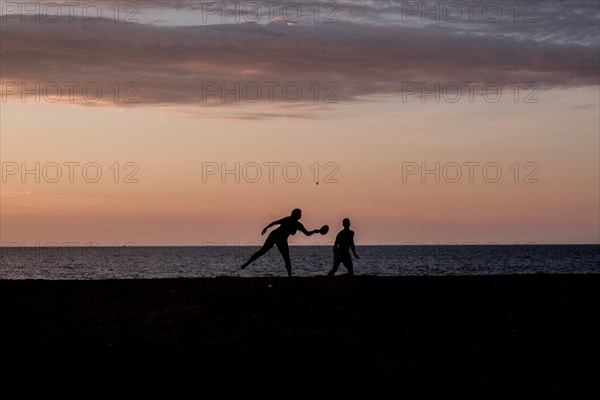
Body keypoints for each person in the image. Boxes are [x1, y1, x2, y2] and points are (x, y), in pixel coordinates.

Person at [241, 209, 320, 277]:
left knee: (285, 258)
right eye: (299, 213)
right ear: (295, 214)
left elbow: (307, 233)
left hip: (281, 239)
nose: (301, 215)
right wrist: (266, 228)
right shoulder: (289, 220)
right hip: (275, 236)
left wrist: (316, 231)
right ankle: (246, 264)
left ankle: (289, 276)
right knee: (263, 252)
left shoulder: (298, 224)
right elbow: (275, 222)